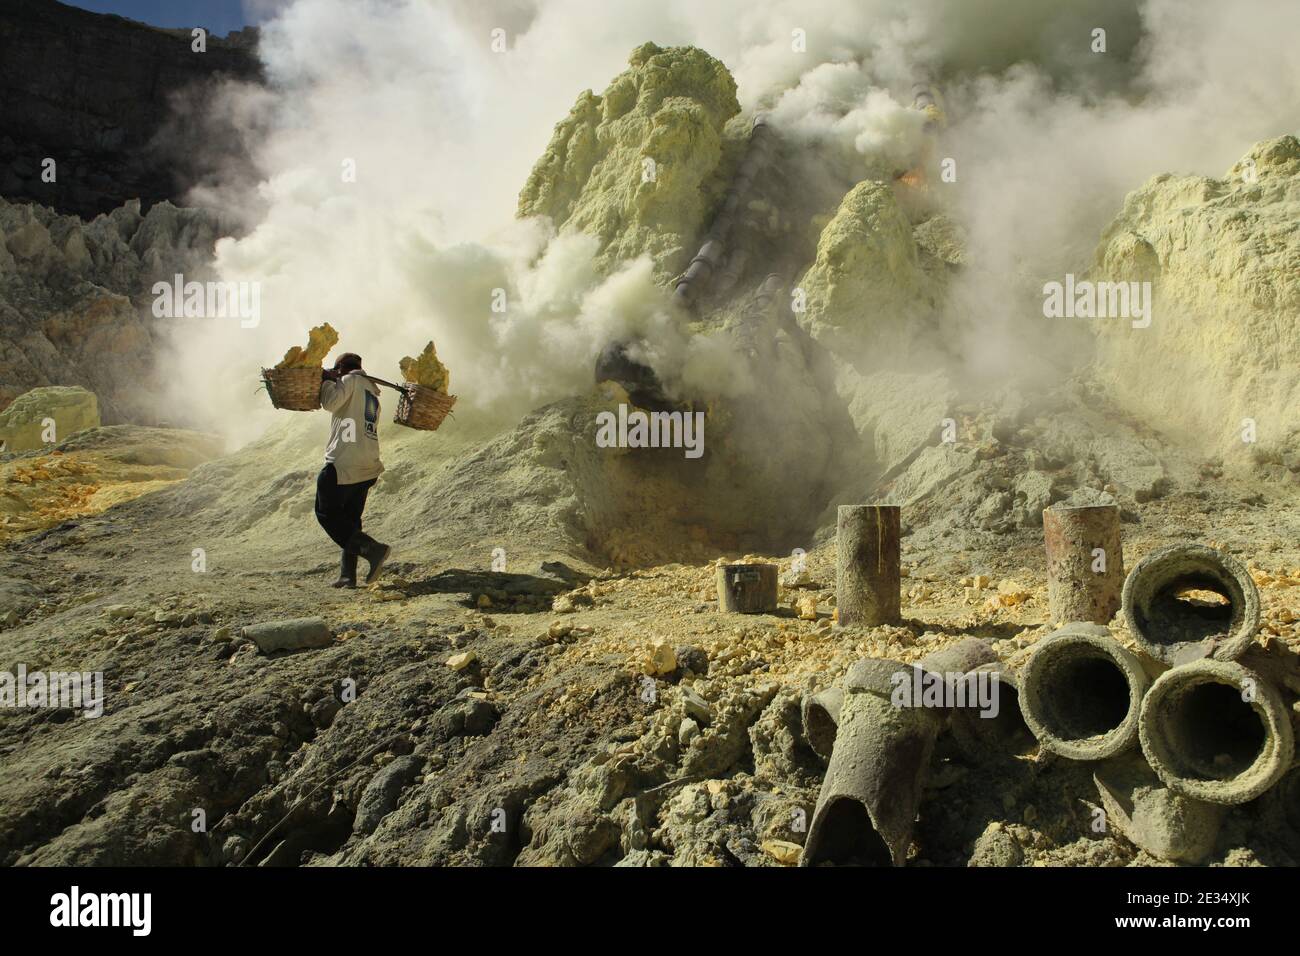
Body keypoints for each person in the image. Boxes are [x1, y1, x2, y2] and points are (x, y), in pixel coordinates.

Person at [315, 352, 390, 588]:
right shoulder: (372, 393)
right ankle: (348, 575)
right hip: (367, 464)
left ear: (340, 369)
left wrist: (326, 381)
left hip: (344, 461)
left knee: (326, 513)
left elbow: (330, 403)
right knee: (350, 519)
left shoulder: (349, 381)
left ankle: (373, 550)